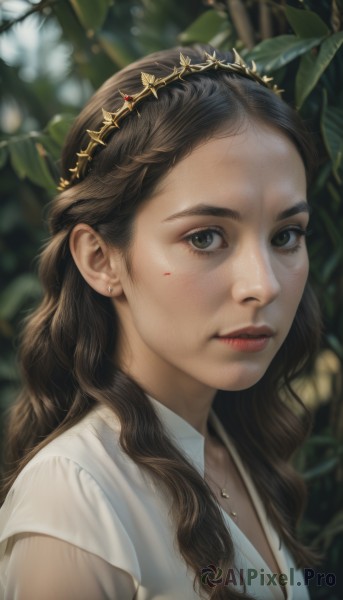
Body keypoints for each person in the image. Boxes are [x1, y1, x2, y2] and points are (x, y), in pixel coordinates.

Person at [0, 45, 320, 600]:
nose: (264, 284)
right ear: (100, 259)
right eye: (205, 237)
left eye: (285, 235)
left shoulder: (233, 445)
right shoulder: (74, 504)